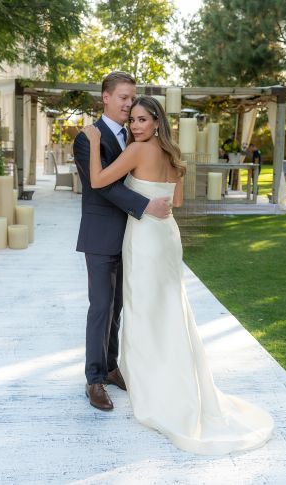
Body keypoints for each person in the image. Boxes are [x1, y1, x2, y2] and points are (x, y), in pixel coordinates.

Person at [81, 96, 275, 455]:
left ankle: (155, 385)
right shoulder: (172, 154)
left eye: (141, 120)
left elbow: (96, 180)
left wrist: (94, 143)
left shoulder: (139, 151)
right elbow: (179, 201)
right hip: (168, 235)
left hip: (145, 237)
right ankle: (174, 375)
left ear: (156, 121)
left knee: (143, 309)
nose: (135, 127)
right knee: (170, 307)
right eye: (132, 121)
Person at [73, 71, 172, 412]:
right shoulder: (88, 138)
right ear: (105, 97)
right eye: (123, 98)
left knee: (117, 308)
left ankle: (112, 366)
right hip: (100, 237)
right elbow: (103, 186)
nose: (129, 104)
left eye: (132, 99)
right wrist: (146, 206)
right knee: (100, 307)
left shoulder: (135, 138)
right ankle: (94, 379)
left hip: (132, 237)